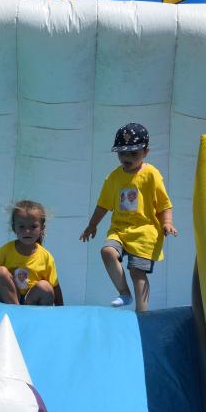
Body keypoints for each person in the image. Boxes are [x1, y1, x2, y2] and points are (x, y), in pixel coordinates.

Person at [80, 122, 176, 311]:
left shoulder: (151, 174)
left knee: (137, 272)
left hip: (144, 232)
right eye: (122, 153)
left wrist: (167, 222)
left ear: (145, 152)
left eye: (133, 153)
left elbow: (164, 203)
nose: (127, 158)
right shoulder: (114, 177)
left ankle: (142, 312)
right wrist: (92, 225)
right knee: (107, 252)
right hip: (119, 229)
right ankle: (124, 292)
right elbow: (103, 205)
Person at [0, 200, 63, 306]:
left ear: (42, 228)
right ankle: (15, 309)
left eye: (33, 227)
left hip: (30, 302)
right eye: (22, 226)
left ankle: (32, 314)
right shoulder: (4, 251)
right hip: (7, 299)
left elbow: (55, 286)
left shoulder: (46, 257)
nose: (27, 231)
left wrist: (62, 309)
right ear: (14, 228)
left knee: (45, 286)